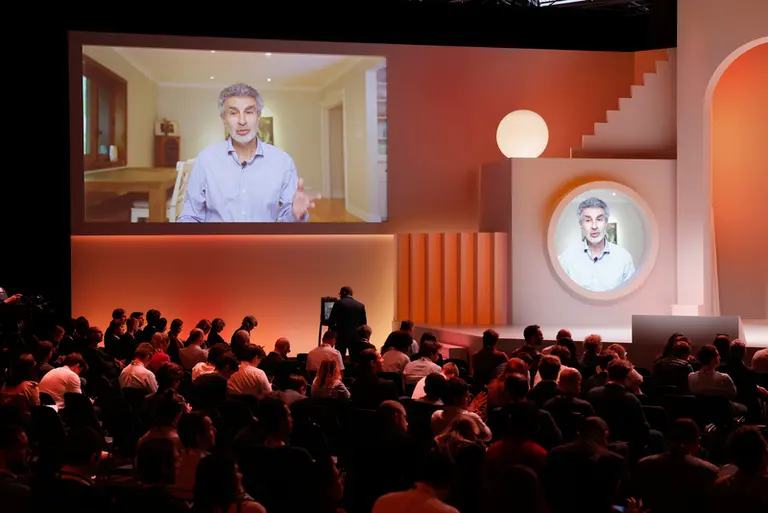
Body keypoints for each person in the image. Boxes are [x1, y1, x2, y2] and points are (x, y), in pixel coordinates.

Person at [177, 82, 320, 223]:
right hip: (216, 245)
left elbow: (288, 223)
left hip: (263, 245)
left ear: (258, 115)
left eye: (249, 112)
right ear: (223, 118)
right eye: (233, 113)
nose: (242, 121)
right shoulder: (206, 160)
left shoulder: (282, 162)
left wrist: (296, 215)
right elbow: (189, 217)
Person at [557, 197, 635, 292]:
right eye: (588, 220)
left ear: (606, 222)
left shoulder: (624, 258)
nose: (594, 226)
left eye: (599, 219)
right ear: (581, 224)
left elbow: (630, 297)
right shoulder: (566, 259)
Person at [328, 286, 367, 359]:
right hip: (355, 337)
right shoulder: (360, 306)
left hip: (341, 336)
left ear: (343, 293)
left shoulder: (338, 303)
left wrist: (333, 331)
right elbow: (363, 324)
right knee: (354, 358)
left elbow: (331, 320)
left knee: (340, 358)